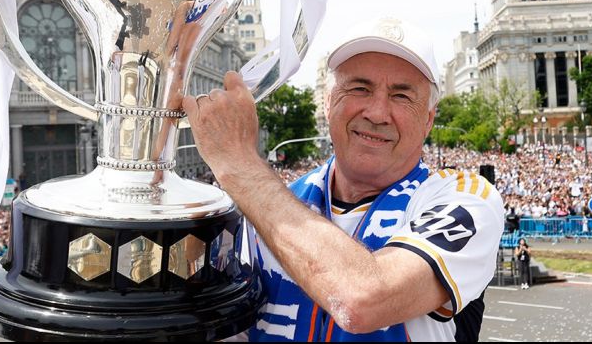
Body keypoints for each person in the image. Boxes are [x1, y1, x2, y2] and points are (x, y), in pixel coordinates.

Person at [183, 18, 505, 341]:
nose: (377, 113)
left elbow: (362, 300)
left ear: (429, 119)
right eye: (360, 88)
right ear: (328, 101)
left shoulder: (466, 199)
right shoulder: (271, 209)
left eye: (401, 96)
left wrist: (240, 165)